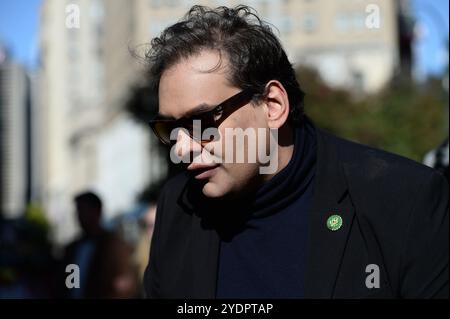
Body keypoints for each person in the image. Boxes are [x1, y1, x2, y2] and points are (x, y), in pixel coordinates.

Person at [143, 5, 448, 298]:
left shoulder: (404, 199)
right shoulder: (178, 208)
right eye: (171, 129)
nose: (182, 148)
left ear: (273, 106)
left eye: (200, 122)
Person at [61, 191, 139, 298]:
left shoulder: (115, 246)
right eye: (78, 211)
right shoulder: (74, 249)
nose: (79, 216)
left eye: (83, 210)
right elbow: (70, 283)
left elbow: (125, 286)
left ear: (96, 211)